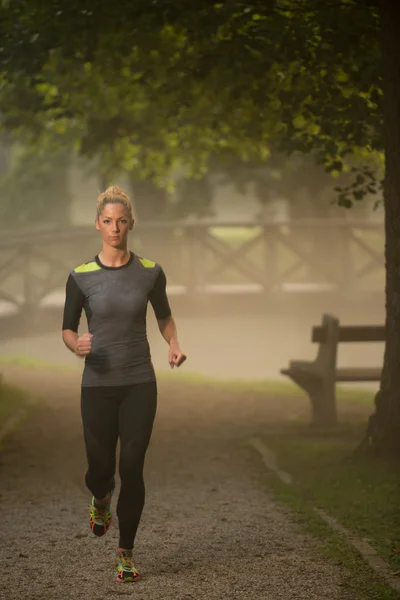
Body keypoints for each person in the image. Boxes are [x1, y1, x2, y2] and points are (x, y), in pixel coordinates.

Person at [62, 185, 186, 583]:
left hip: (139, 382)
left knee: (132, 466)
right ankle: (100, 500)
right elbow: (67, 328)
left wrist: (174, 343)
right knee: (100, 469)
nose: (115, 228)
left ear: (131, 223)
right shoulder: (80, 277)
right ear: (98, 224)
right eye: (108, 221)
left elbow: (164, 316)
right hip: (96, 384)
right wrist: (75, 345)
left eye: (121, 221)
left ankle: (126, 555)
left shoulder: (150, 271)